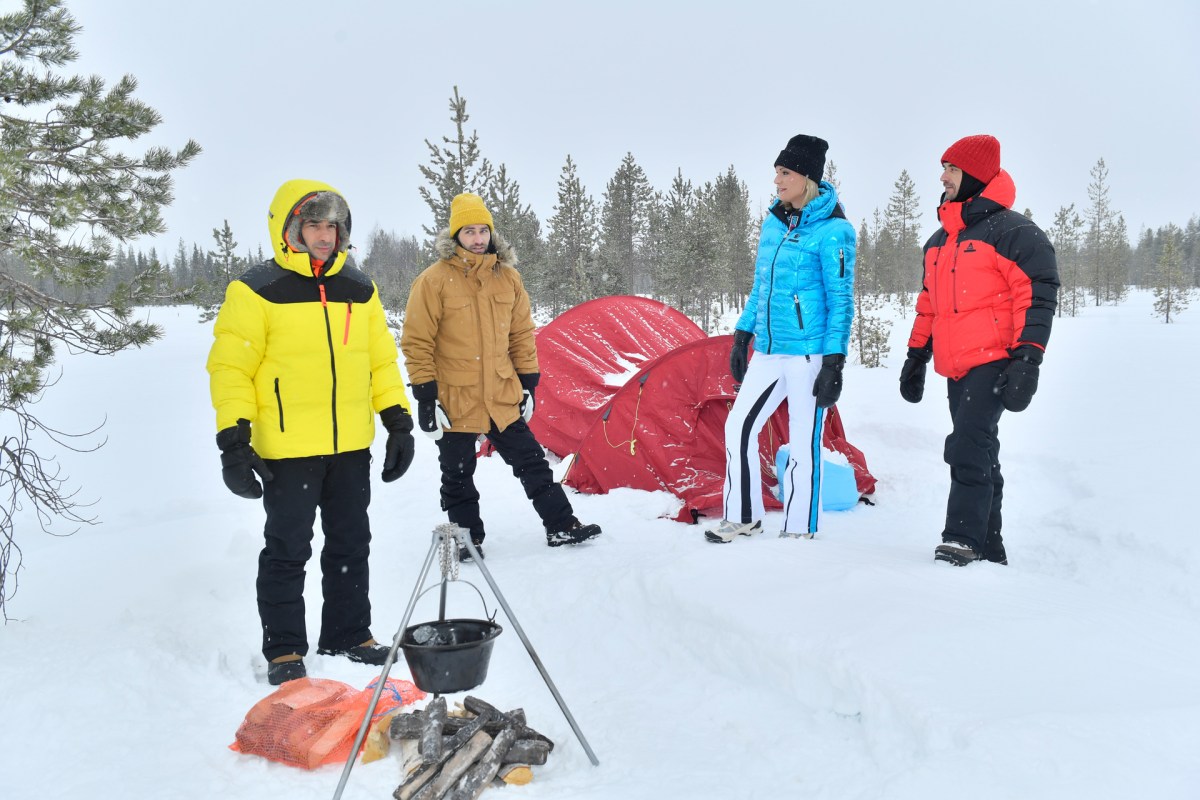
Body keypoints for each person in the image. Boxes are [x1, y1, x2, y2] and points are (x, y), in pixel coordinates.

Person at [206, 179, 415, 684]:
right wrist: (234, 441)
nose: (325, 235)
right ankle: (284, 650)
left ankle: (348, 634)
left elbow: (380, 361)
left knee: (350, 543)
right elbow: (231, 369)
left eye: (333, 225)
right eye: (314, 225)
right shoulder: (256, 290)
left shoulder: (359, 288)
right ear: (289, 230)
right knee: (288, 549)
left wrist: (397, 421)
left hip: (349, 447)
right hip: (287, 448)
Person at [401, 192, 601, 561]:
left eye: (483, 231)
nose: (478, 239)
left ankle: (560, 525)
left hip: (502, 395)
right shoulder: (433, 281)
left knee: (533, 464)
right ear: (455, 236)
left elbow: (522, 335)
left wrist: (528, 385)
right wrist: (426, 397)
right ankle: (466, 540)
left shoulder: (508, 279)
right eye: (469, 231)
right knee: (458, 475)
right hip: (456, 398)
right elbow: (416, 342)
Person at [899, 135, 1059, 566]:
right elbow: (929, 303)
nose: (943, 176)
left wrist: (1028, 359)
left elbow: (1037, 297)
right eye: (944, 167)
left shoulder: (1015, 232)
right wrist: (916, 356)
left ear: (974, 175)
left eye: (951, 168)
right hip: (957, 365)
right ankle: (991, 548)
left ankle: (962, 539)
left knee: (968, 446)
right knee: (981, 450)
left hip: (995, 360)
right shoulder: (939, 241)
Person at [705, 134, 855, 544]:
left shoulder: (834, 231)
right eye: (776, 172)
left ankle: (798, 529)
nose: (777, 181)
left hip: (808, 355)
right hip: (769, 351)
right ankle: (742, 516)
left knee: (803, 443)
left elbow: (841, 300)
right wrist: (743, 333)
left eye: (785, 173)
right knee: (738, 427)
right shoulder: (774, 223)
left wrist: (834, 362)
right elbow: (762, 286)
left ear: (805, 178)